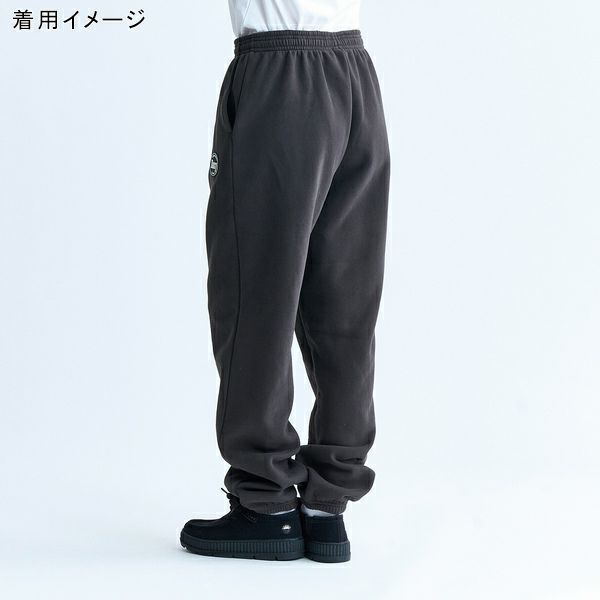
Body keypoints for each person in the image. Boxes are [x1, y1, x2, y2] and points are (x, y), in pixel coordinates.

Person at [180, 0, 390, 563]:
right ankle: (327, 507)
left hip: (280, 75)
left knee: (255, 292)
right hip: (353, 72)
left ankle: (266, 503)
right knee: (343, 302)